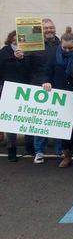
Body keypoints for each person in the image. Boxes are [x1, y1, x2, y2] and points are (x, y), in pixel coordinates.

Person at [40, 27, 73, 168]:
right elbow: (47, 72)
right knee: (64, 128)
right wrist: (46, 82)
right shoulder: (55, 55)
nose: (67, 50)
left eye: (70, 48)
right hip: (61, 97)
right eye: (64, 48)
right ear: (60, 44)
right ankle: (67, 155)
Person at [0, 30, 33, 162]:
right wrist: (15, 58)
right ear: (10, 39)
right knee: (11, 122)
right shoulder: (4, 52)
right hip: (9, 90)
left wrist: (22, 59)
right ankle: (11, 149)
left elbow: (30, 69)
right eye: (14, 39)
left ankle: (29, 146)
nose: (16, 41)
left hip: (26, 89)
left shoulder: (29, 52)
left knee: (27, 119)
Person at [31, 18, 61, 163]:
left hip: (58, 88)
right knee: (40, 121)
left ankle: (60, 150)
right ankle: (39, 151)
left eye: (51, 27)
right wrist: (19, 57)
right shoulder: (34, 46)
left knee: (59, 120)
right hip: (40, 87)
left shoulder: (61, 44)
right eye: (46, 28)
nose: (49, 30)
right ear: (41, 30)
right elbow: (29, 67)